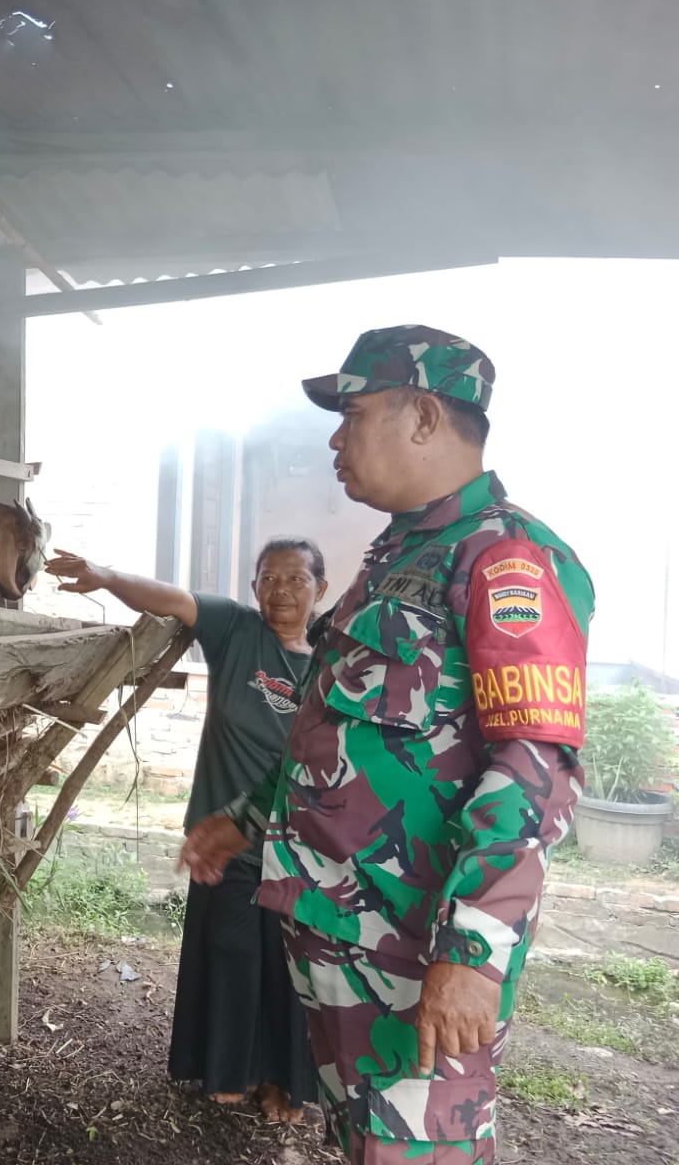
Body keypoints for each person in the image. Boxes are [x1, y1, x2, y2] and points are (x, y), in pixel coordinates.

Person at [180, 325, 594, 1165]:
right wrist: (248, 818)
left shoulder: (506, 558)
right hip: (340, 937)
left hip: (415, 952)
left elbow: (535, 768)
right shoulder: (396, 555)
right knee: (363, 1143)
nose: (335, 438)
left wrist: (474, 955)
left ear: (425, 417)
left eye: (355, 413)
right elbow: (336, 738)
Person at [46, 538, 328, 1123]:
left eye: (297, 580)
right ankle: (228, 1071)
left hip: (301, 847)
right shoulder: (236, 630)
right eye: (269, 578)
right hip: (222, 839)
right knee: (230, 950)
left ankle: (285, 1082)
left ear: (320, 591)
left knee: (291, 967)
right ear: (254, 587)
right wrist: (104, 571)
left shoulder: (333, 667)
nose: (281, 591)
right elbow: (173, 599)